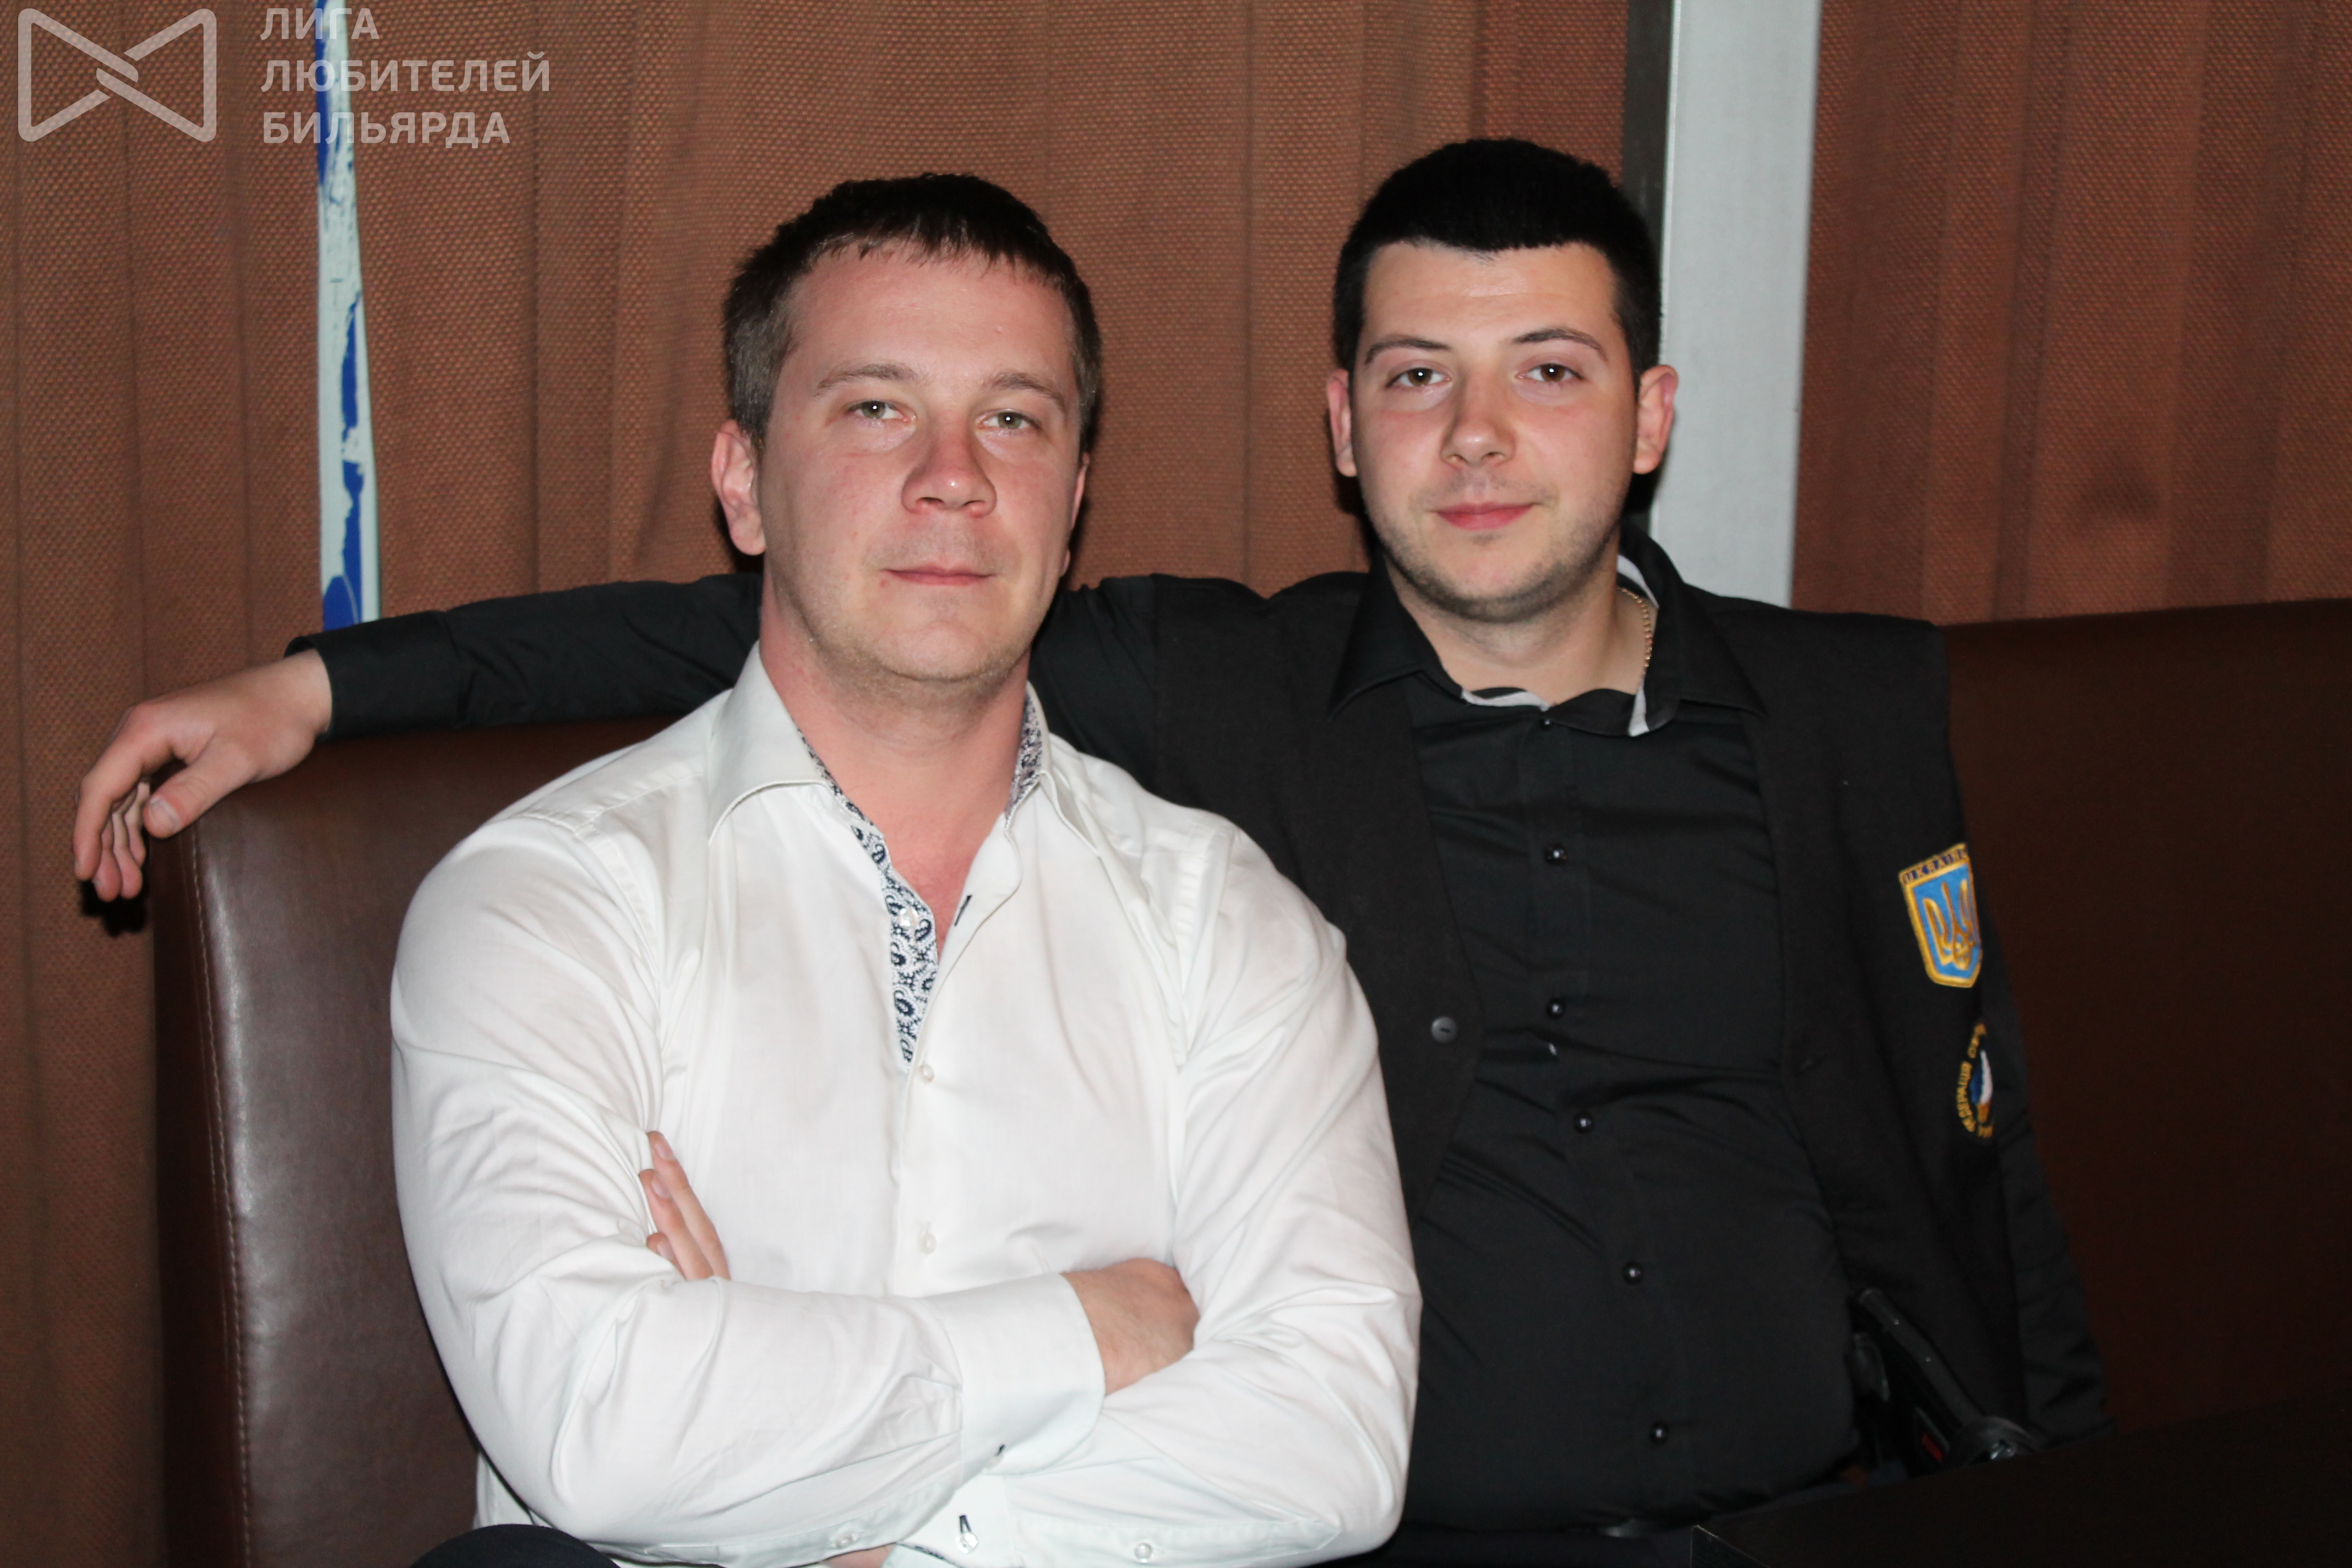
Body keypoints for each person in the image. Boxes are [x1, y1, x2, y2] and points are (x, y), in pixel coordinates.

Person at [78, 141, 2107, 1565]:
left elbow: (1972, 1149)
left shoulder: (1849, 708)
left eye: (1549, 373)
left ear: (1649, 413)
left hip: (1813, 1514)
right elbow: (811, 604)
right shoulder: (1230, 690)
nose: (1480, 437)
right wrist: (319, 686)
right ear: (1344, 423)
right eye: (1419, 376)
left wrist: (2072, 1481)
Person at [379, 175, 1418, 1567]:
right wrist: (1083, 1328)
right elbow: (603, 1424)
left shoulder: (1225, 917)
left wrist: (875, 1524)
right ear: (744, 482)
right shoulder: (548, 903)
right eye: (876, 407)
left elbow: (1331, 1434)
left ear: (1074, 500)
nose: (954, 475)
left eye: (1014, 418)